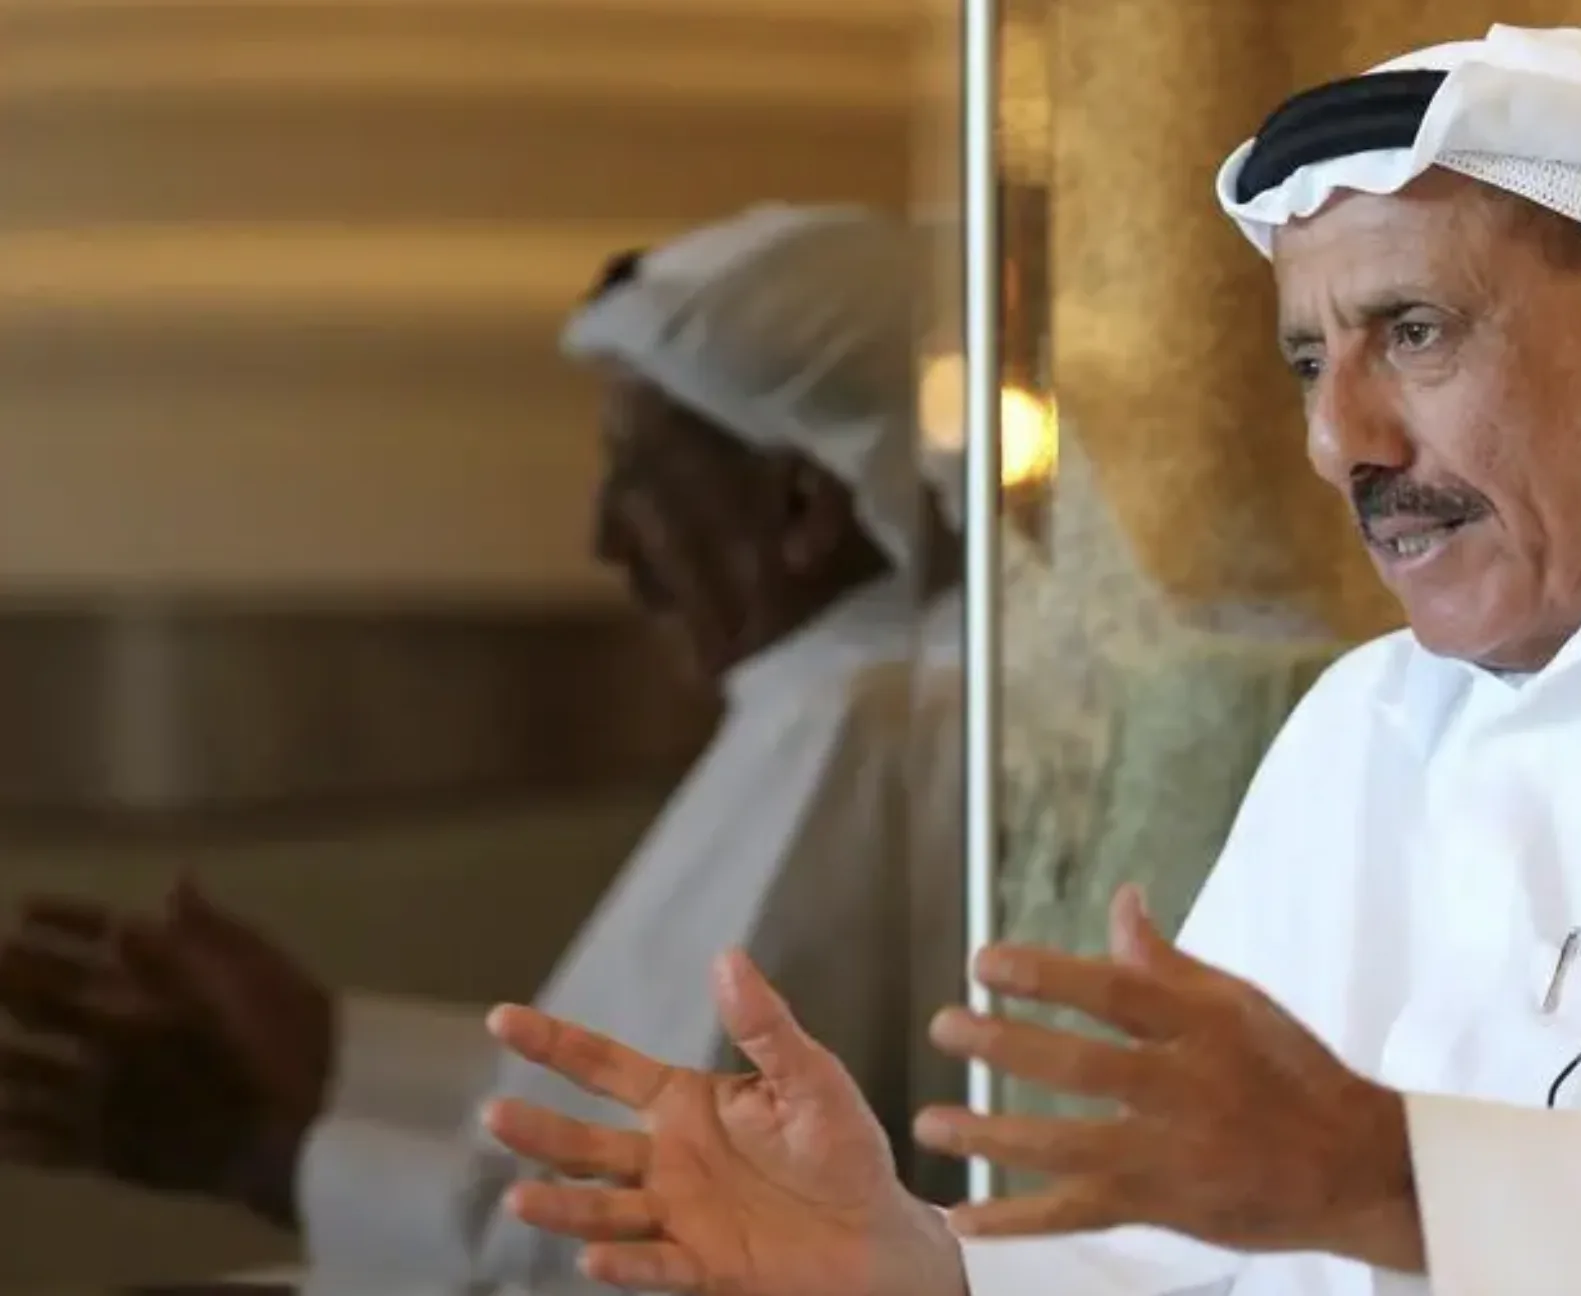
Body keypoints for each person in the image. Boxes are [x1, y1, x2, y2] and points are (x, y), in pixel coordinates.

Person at [471, 25, 1581, 1296]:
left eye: (1413, 332)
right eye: (1308, 359)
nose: (1340, 442)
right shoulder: (1364, 727)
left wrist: (1397, 1185)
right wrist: (919, 1270)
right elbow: (1181, 1257)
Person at [0, 204, 968, 1284]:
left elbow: (648, 1252)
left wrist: (260, 1154)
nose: (606, 540)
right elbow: (634, 1107)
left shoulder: (858, 727)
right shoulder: (836, 702)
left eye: (638, 480)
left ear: (800, 508)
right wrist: (332, 1054)